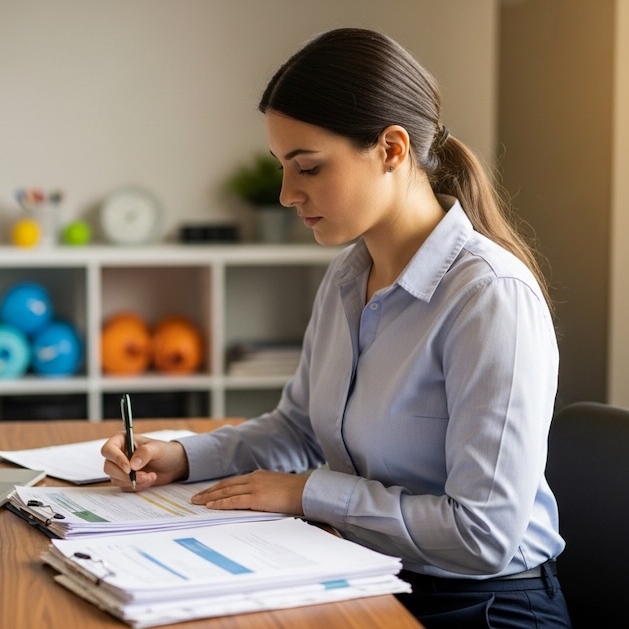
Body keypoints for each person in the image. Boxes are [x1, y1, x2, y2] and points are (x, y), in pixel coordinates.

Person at [101, 27, 571, 628]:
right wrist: (182, 457)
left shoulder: (488, 297)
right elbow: (298, 427)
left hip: (481, 607)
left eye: (310, 168)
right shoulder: (351, 277)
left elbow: (483, 534)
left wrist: (306, 493)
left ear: (392, 150)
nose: (287, 194)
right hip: (368, 573)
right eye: (282, 167)